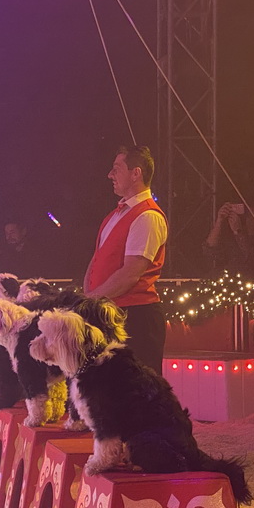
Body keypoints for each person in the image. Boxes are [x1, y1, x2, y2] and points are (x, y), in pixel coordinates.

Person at [83, 145, 168, 373]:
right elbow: (96, 261)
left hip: (135, 318)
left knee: (136, 392)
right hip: (110, 313)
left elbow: (130, 275)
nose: (110, 175)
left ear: (136, 173)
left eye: (116, 169)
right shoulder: (115, 214)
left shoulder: (147, 216)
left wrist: (89, 301)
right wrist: (88, 300)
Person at [202, 202, 254, 277]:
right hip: (230, 283)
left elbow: (253, 260)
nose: (251, 219)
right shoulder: (232, 239)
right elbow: (209, 251)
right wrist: (219, 221)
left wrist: (238, 232)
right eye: (249, 215)